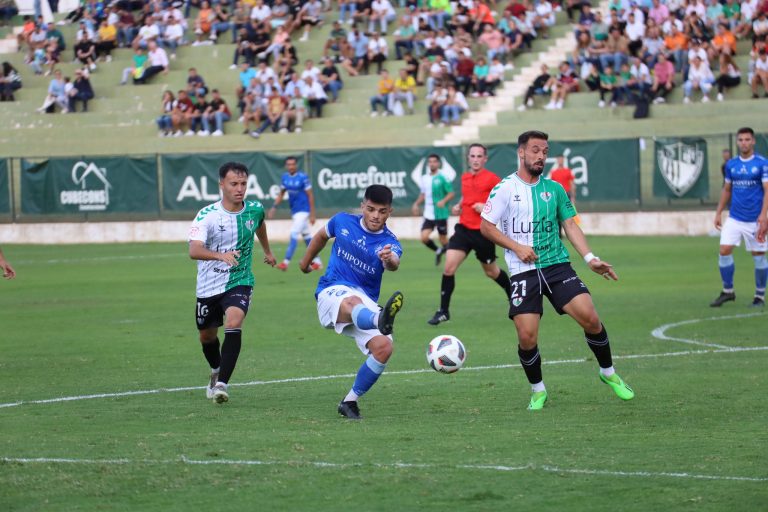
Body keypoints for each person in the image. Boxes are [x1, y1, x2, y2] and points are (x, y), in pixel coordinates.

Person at [479, 130, 634, 410]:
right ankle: (538, 391)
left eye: (545, 151)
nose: (541, 156)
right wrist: (516, 247)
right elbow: (486, 227)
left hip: (557, 266)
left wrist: (590, 258)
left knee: (591, 318)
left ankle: (608, 372)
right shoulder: (505, 189)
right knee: (527, 337)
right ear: (521, 152)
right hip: (523, 271)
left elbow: (570, 225)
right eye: (535, 150)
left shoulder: (555, 189)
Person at [298, 185, 404, 420]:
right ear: (362, 206)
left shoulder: (390, 242)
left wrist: (388, 259)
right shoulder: (342, 221)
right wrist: (305, 263)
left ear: (390, 212)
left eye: (382, 211)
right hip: (332, 290)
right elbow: (321, 236)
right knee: (352, 301)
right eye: (371, 209)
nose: (375, 216)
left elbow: (394, 263)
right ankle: (378, 319)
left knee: (384, 347)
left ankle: (349, 402)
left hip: (364, 302)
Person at [188, 162, 277, 404]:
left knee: (234, 320)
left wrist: (267, 251)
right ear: (222, 185)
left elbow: (259, 224)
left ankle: (222, 384)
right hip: (208, 286)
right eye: (234, 184)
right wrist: (220, 255)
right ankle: (216, 370)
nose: (239, 189)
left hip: (240, 280)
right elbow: (194, 250)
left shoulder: (255, 209)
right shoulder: (207, 215)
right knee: (207, 337)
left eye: (243, 184)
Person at [427, 143, 513, 325]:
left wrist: (486, 207)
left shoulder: (492, 179)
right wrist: (459, 206)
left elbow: (507, 201)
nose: (475, 159)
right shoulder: (465, 177)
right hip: (463, 230)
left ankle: (513, 295)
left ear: (485, 159)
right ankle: (443, 311)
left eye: (479, 156)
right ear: (468, 158)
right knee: (448, 268)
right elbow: (466, 196)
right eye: (472, 156)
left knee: (491, 272)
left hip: (484, 232)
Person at [711, 127, 768, 308]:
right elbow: (727, 189)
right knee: (724, 250)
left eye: (747, 139)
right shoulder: (731, 165)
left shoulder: (762, 163)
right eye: (741, 140)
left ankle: (759, 296)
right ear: (737, 142)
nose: (744, 143)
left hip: (755, 219)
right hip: (735, 217)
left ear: (753, 141)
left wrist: (764, 216)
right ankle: (728, 291)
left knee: (758, 256)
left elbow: (767, 190)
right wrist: (719, 212)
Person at [268, 156, 323, 271]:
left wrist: (312, 214)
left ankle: (285, 262)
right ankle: (318, 262)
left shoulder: (303, 177)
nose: (291, 166)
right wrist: (274, 207)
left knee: (293, 233)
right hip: (295, 211)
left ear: (296, 165)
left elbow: (310, 195)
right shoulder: (285, 178)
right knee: (307, 237)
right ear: (286, 166)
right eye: (289, 164)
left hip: (303, 211)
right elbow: (281, 194)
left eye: (293, 164)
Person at [412, 153, 455, 265]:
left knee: (443, 239)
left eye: (434, 161)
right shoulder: (424, 178)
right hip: (428, 213)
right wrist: (416, 204)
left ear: (438, 163)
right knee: (424, 238)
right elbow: (423, 194)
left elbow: (451, 193)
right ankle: (438, 250)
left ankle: (452, 259)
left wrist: (443, 201)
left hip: (440, 212)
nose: (432, 164)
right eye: (430, 162)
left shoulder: (443, 177)